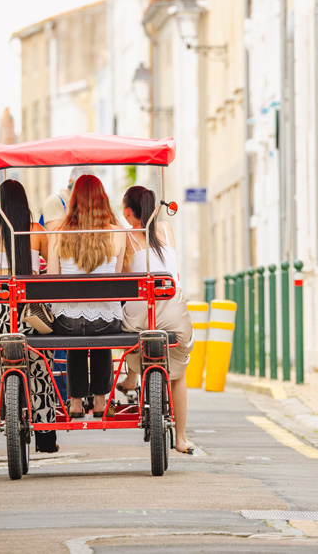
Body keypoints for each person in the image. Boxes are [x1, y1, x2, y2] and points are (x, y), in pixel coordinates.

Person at [0, 179, 59, 453]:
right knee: (40, 367)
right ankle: (46, 435)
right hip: (30, 315)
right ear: (24, 204)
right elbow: (51, 272)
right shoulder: (36, 231)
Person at [118, 185, 195, 455]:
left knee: (128, 318)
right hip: (173, 314)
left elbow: (121, 283)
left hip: (141, 319)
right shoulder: (166, 230)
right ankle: (182, 438)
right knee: (179, 375)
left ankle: (131, 376)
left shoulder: (124, 238)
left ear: (128, 212)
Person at [46, 174, 126, 418]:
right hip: (106, 323)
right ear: (103, 200)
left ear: (73, 200)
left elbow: (52, 279)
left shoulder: (59, 233)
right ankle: (101, 401)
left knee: (75, 330)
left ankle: (76, 402)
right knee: (99, 327)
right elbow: (119, 279)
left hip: (67, 323)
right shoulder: (118, 233)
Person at [40, 166, 97, 230]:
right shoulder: (55, 202)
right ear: (71, 182)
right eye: (81, 184)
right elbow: (56, 235)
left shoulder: (93, 203)